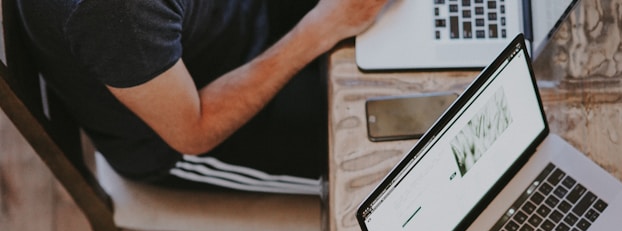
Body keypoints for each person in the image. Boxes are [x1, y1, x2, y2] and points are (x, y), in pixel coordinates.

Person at [17, 0, 387, 194]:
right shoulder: (115, 12)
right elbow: (194, 132)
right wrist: (322, 28)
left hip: (230, 23)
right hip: (194, 129)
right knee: (385, 160)